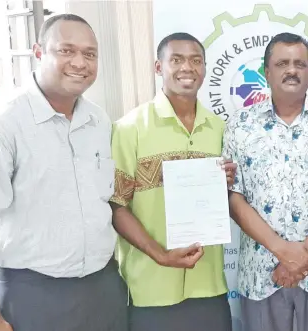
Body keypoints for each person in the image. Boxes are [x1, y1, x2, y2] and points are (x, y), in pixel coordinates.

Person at [0, 14, 128, 331]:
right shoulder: (4, 123)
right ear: (39, 52)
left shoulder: (99, 121)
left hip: (102, 289)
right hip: (33, 295)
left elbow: (105, 200)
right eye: (66, 50)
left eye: (90, 54)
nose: (80, 62)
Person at [224, 32, 308, 331]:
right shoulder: (240, 124)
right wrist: (283, 251)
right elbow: (234, 198)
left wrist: (305, 253)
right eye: (282, 63)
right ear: (266, 71)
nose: (291, 70)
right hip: (262, 272)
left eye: (300, 64)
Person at [109, 32, 236, 331]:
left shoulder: (220, 129)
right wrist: (161, 255)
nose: (186, 68)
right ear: (158, 67)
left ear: (204, 67)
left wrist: (225, 181)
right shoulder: (129, 129)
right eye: (176, 60)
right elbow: (117, 205)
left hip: (209, 285)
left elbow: (227, 198)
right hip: (150, 289)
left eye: (195, 60)